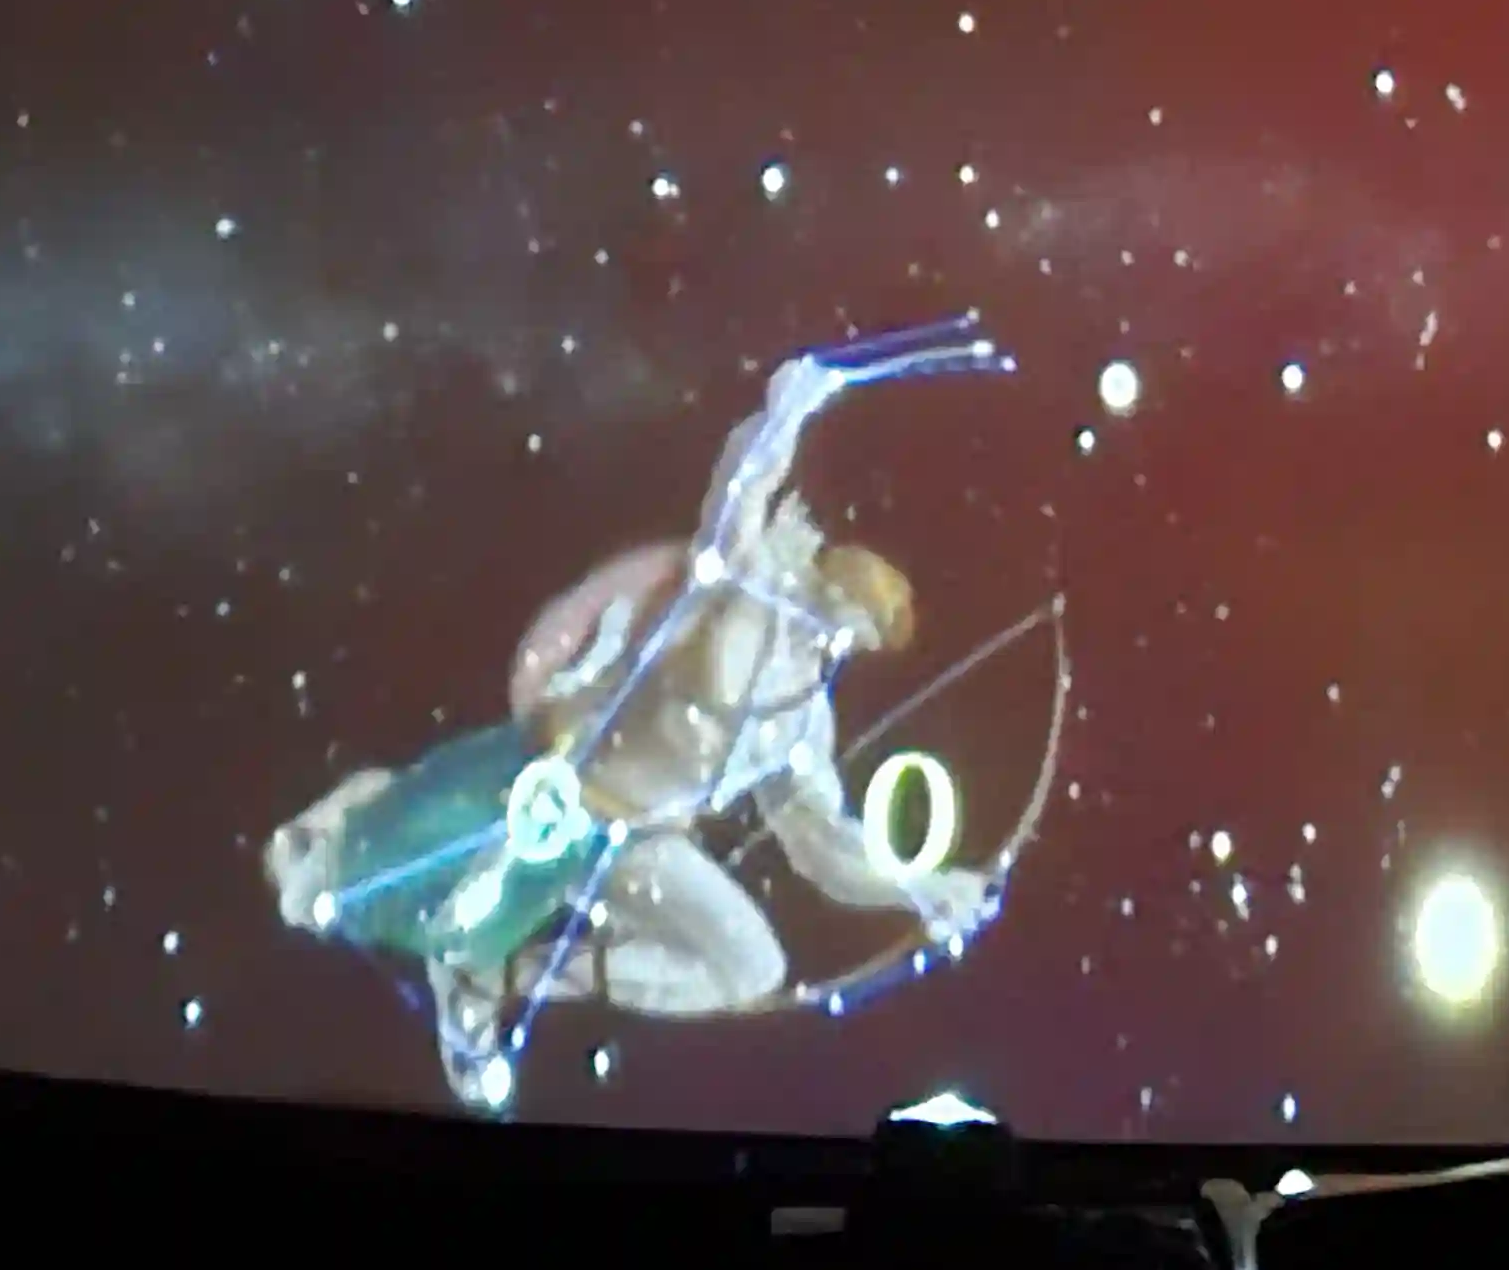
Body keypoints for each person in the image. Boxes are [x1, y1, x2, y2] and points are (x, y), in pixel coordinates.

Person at [262, 351, 994, 1095]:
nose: (834, 642)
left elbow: (828, 847)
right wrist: (786, 414)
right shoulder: (737, 593)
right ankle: (437, 944)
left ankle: (519, 978)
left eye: (853, 642)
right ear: (823, 588)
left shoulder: (800, 725)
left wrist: (924, 891)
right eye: (840, 618)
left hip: (640, 850)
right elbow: (738, 496)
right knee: (394, 883)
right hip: (561, 790)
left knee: (755, 966)